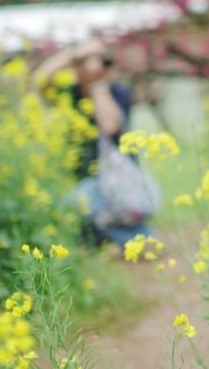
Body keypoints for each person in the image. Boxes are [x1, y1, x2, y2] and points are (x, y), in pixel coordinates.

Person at [34, 39, 151, 247]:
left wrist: (98, 85)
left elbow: (109, 126)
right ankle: (109, 238)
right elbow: (40, 81)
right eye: (86, 61)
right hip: (83, 174)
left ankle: (124, 237)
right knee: (80, 210)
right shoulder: (70, 92)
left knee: (90, 205)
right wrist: (72, 55)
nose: (94, 64)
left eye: (100, 59)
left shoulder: (117, 91)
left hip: (118, 177)